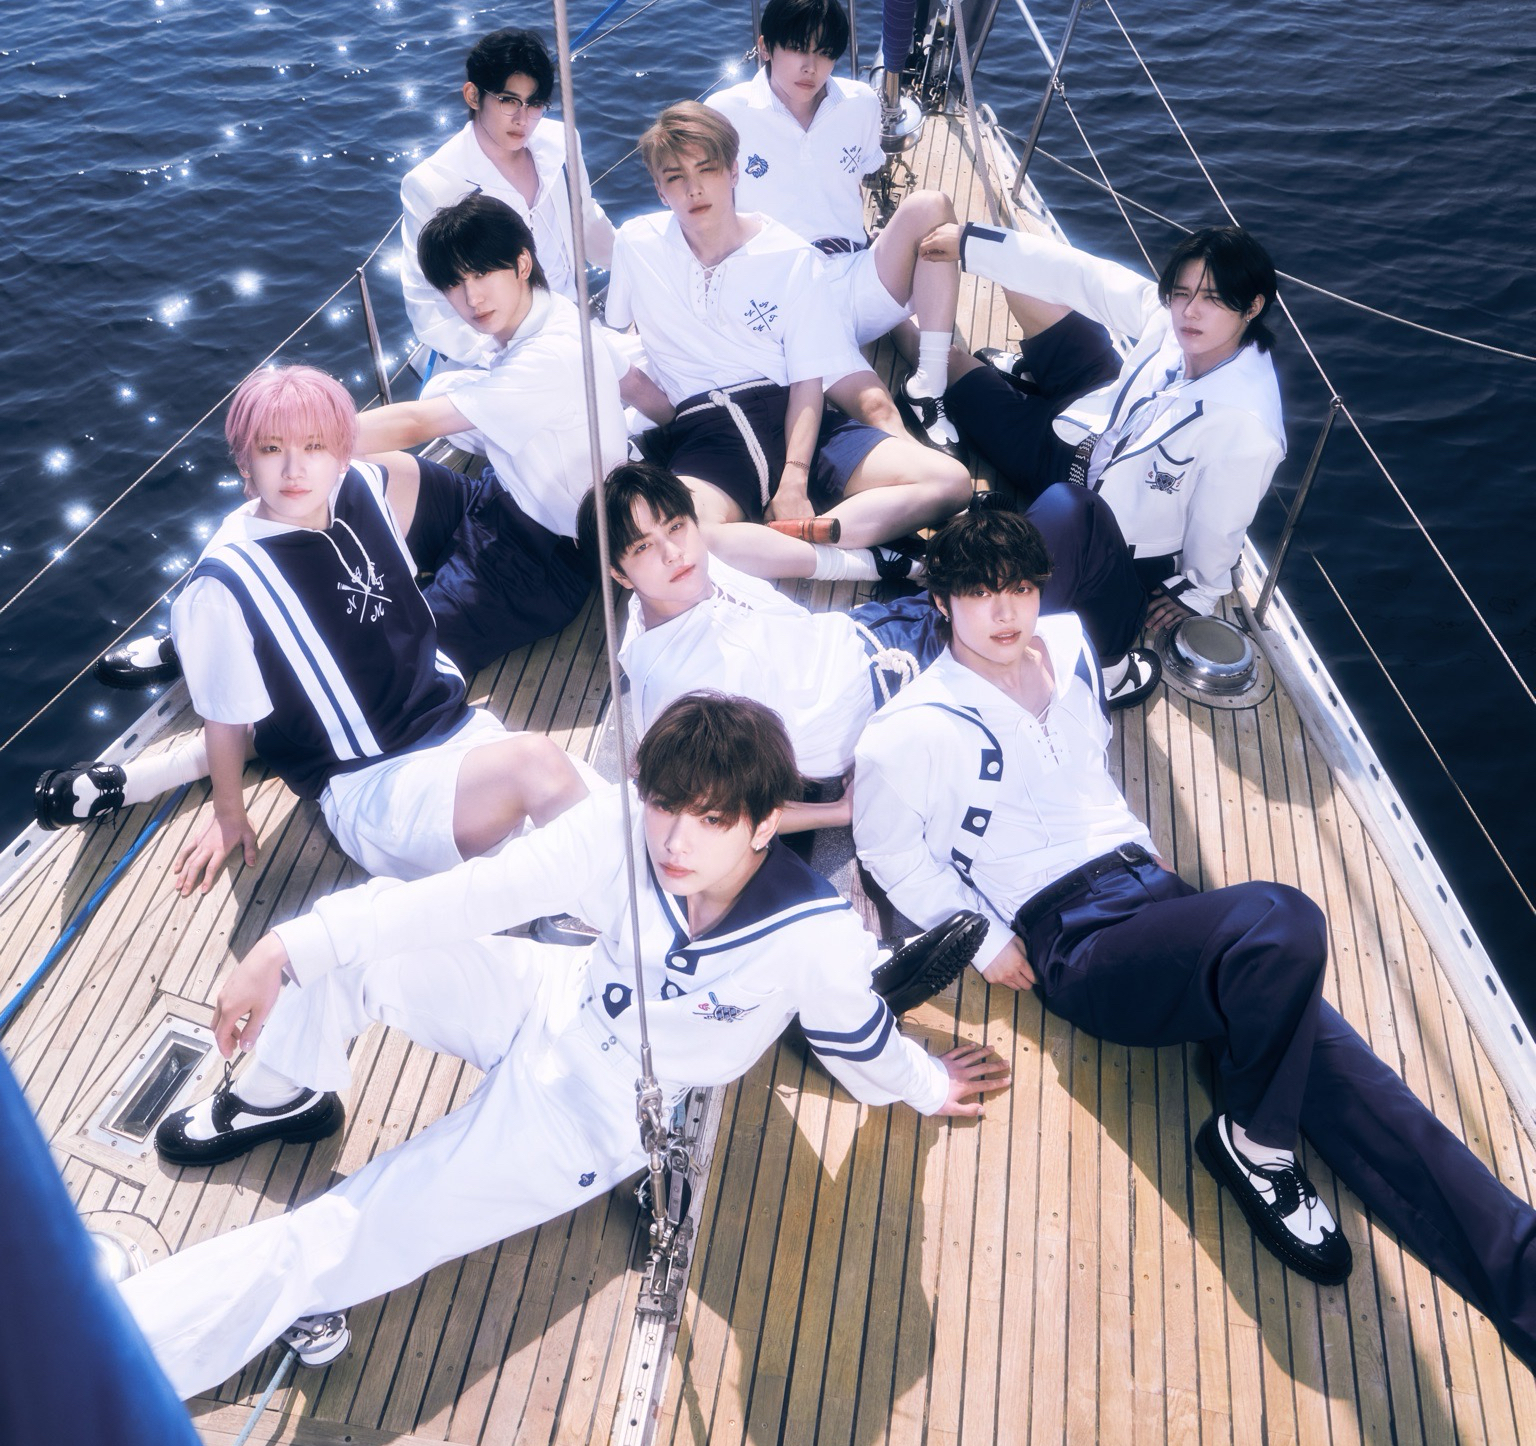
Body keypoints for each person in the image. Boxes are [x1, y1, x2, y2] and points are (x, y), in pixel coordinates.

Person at [119, 694, 1010, 1400]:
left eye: (709, 818)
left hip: (593, 1113)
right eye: (663, 804)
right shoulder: (619, 828)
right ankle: (286, 1094)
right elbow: (467, 899)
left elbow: (862, 1046)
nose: (674, 839)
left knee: (336, 1235)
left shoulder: (815, 938)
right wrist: (285, 947)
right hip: (555, 992)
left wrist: (930, 1084)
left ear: (764, 823)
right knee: (340, 950)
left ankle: (110, 1365)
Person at [851, 507, 1536, 1367]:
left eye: (1019, 587)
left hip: (1160, 901)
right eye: (981, 592)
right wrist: (986, 940)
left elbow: (1089, 767)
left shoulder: (1066, 644)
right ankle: (1253, 1144)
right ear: (943, 602)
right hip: (1075, 942)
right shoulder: (908, 730)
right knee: (1285, 922)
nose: (1005, 610)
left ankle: (1523, 1274)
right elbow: (888, 849)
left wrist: (1135, 842)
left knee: (1372, 1091)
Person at [35, 366, 593, 889]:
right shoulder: (224, 583)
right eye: (271, 449)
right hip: (375, 784)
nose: (294, 470)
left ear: (342, 452)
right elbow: (225, 720)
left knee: (604, 813)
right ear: (243, 462)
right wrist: (229, 813)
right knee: (542, 773)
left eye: (315, 446)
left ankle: (140, 776)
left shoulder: (363, 488)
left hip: (458, 729)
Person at [577, 465, 1160, 839]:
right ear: (618, 574)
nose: (673, 553)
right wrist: (840, 812)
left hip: (878, 627)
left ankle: (1094, 653)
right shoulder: (675, 687)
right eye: (643, 548)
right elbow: (700, 813)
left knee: (1057, 523)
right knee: (1071, 514)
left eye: (676, 527)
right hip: (908, 688)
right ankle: (1105, 664)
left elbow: (796, 557)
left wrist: (908, 567)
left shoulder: (697, 565)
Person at [605, 102, 970, 549]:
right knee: (686, 535)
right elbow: (622, 337)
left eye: (707, 169)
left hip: (787, 416)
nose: (694, 189)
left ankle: (788, 539)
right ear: (660, 191)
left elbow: (807, 380)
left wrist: (794, 477)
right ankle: (857, 555)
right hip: (705, 434)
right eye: (675, 177)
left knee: (951, 482)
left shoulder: (791, 257)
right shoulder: (635, 244)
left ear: (734, 171)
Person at [928, 219, 1285, 637]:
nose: (1190, 311)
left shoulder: (1246, 426)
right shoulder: (1181, 325)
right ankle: (1030, 373)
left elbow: (1220, 525)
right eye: (1182, 293)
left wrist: (1199, 589)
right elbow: (1090, 277)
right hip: (1100, 408)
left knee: (946, 361)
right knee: (1019, 279)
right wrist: (970, 244)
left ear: (1252, 307)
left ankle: (1014, 377)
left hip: (1072, 479)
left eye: (1214, 299)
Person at [351, 193, 626, 672]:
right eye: (455, 283)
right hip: (494, 499)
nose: (471, 298)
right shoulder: (546, 314)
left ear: (522, 264)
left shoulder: (549, 354)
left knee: (391, 661)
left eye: (481, 274)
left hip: (544, 559)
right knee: (362, 475)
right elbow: (630, 378)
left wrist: (300, 441)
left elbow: (418, 423)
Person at [708, 0, 962, 445]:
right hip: (786, 297)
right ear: (765, 46)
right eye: (797, 49)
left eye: (825, 53)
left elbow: (852, 180)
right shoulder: (725, 114)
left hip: (854, 275)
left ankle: (929, 384)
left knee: (933, 206)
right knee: (876, 407)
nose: (811, 66)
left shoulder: (861, 103)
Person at [399, 26, 615, 366]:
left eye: (535, 104)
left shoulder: (562, 142)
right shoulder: (432, 183)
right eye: (508, 101)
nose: (522, 119)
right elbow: (426, 300)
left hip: (573, 324)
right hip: (496, 356)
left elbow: (586, 221)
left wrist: (635, 264)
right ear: (473, 96)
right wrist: (501, 360)